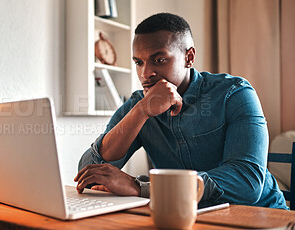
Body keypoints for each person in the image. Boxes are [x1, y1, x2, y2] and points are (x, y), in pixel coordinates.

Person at [74, 12, 288, 209]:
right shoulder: (138, 105)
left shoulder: (234, 93)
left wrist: (144, 188)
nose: (145, 73)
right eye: (139, 62)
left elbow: (247, 183)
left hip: (259, 214)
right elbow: (88, 174)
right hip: (184, 215)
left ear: (189, 57)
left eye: (159, 60)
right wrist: (140, 113)